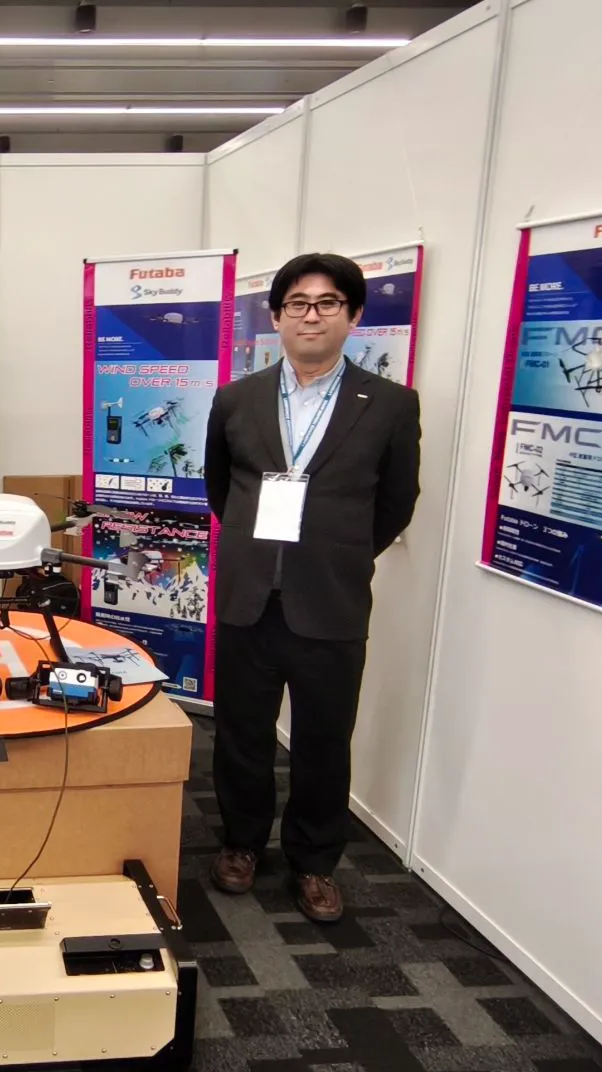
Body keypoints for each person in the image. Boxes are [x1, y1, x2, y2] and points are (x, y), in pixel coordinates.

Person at [203, 252, 420, 923]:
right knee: (241, 731)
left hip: (330, 599)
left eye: (328, 303)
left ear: (353, 316)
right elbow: (221, 489)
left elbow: (396, 504)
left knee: (325, 739)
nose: (311, 315)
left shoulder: (389, 405)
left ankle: (315, 860)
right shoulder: (236, 399)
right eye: (297, 303)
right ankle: (242, 842)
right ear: (276, 317)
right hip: (248, 597)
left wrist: (337, 554)